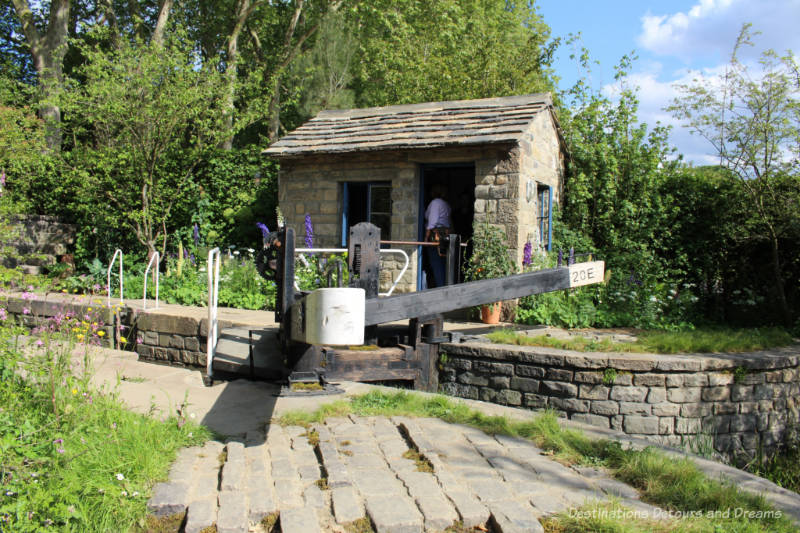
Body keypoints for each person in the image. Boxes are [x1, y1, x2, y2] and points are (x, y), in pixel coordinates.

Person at [424, 184, 452, 288]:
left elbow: (432, 222)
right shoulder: (446, 204)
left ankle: (440, 288)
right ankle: (445, 286)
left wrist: (426, 238)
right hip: (444, 235)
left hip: (435, 235)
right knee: (443, 263)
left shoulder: (435, 203)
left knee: (435, 263)